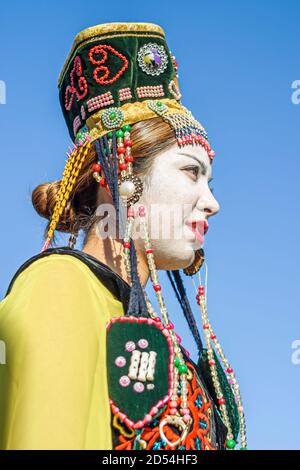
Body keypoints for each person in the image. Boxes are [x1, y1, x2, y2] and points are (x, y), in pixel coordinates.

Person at [0, 22, 247, 450]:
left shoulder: (143, 324)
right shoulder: (60, 286)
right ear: (117, 173)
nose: (212, 203)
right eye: (192, 171)